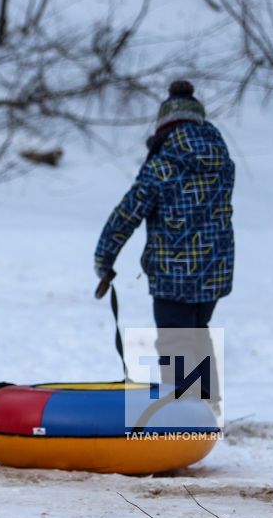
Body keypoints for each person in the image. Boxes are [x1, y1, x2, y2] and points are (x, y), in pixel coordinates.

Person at [94, 80, 233, 407]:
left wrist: (105, 258)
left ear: (165, 125)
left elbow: (127, 213)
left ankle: (186, 416)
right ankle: (205, 406)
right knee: (197, 333)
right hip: (216, 269)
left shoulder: (163, 164)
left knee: (177, 340)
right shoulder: (222, 160)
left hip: (174, 271)